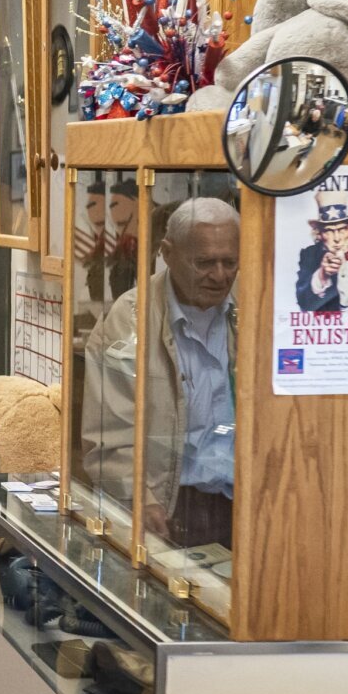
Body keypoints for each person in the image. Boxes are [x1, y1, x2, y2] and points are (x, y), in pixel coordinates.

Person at [85, 196, 239, 547]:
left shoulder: (255, 307)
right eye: (204, 262)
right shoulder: (128, 321)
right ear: (167, 253)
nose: (220, 275)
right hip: (168, 508)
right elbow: (108, 438)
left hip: (247, 504)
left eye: (229, 262)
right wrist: (139, 497)